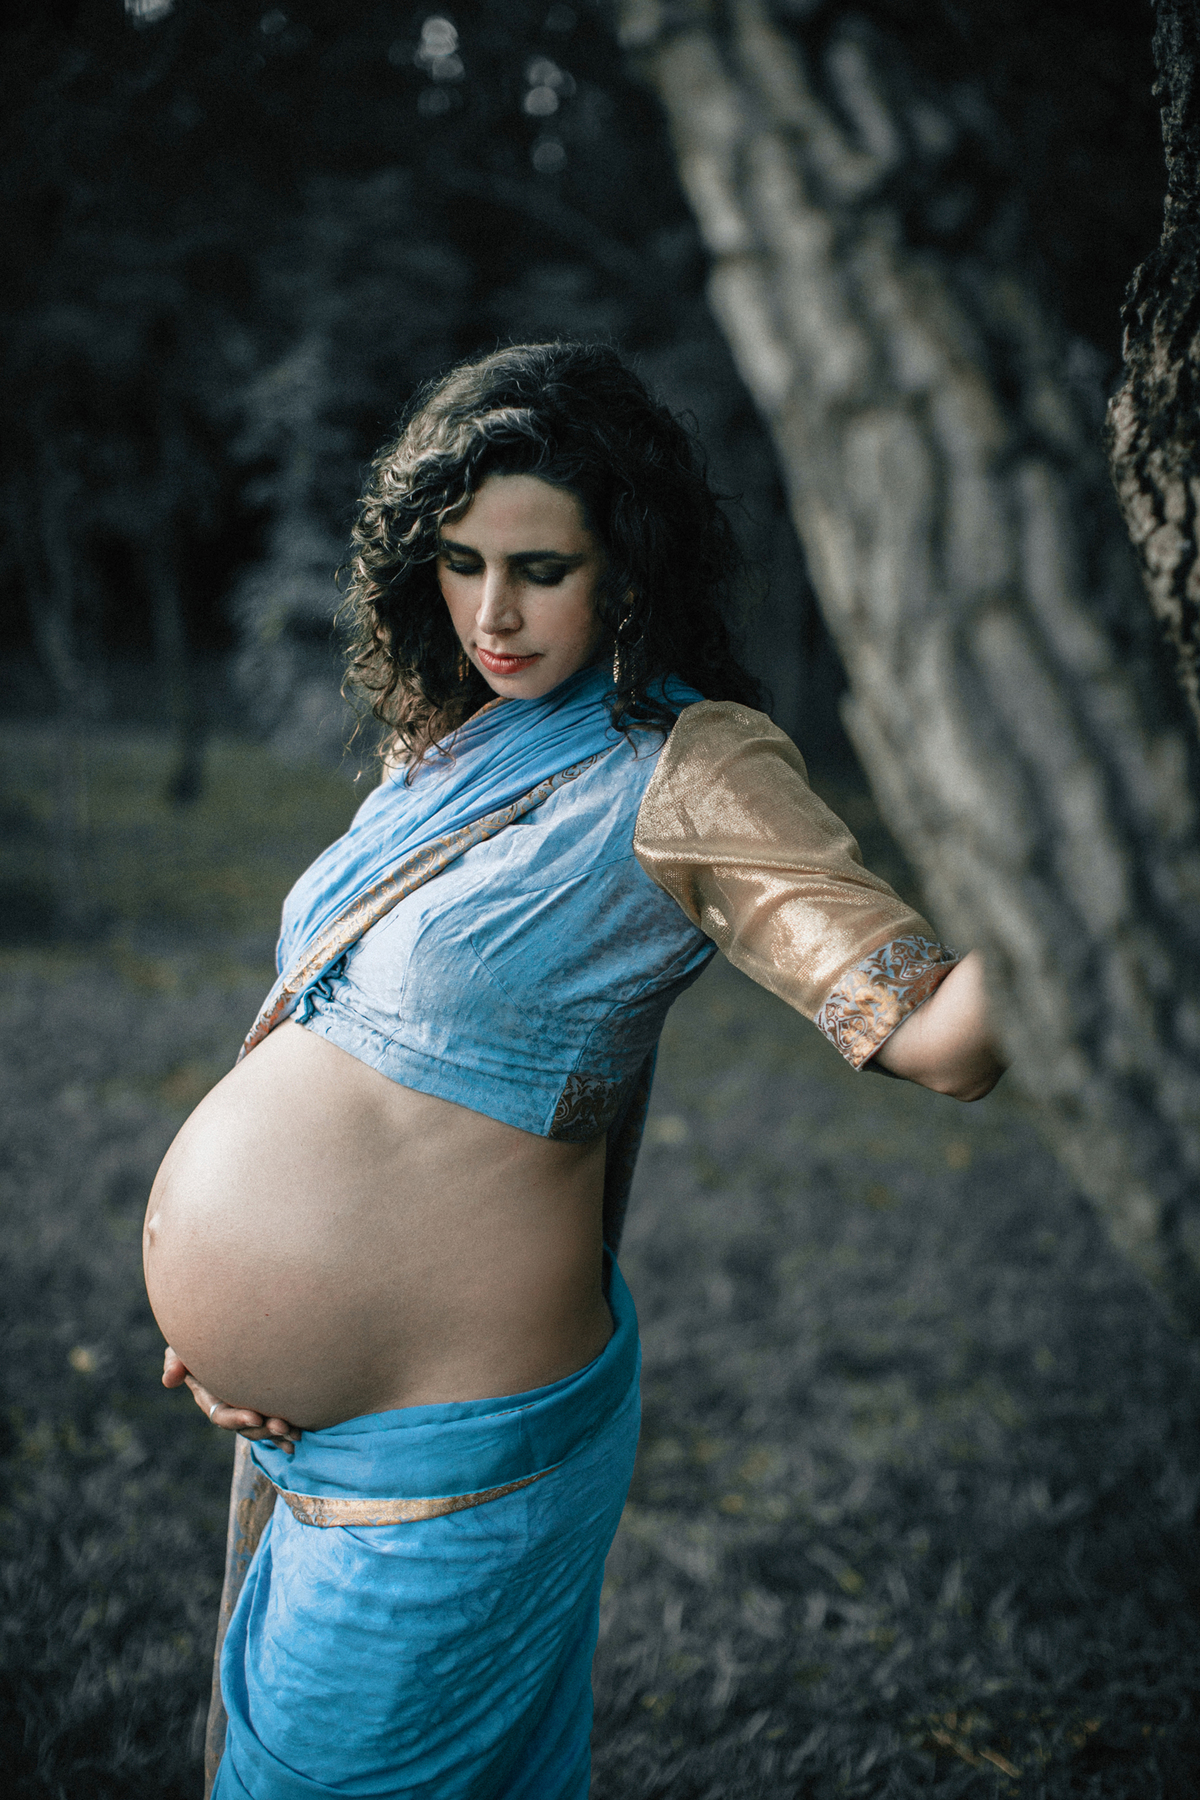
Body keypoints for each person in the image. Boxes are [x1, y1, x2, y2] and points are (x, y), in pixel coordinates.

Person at [143, 341, 1004, 1800]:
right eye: (460, 561)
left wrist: (1104, 870)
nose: (491, 611)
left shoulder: (690, 765)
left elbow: (938, 1039)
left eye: (540, 567)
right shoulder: (459, 738)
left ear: (630, 564)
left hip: (456, 1450)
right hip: (309, 1434)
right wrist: (232, 1330)